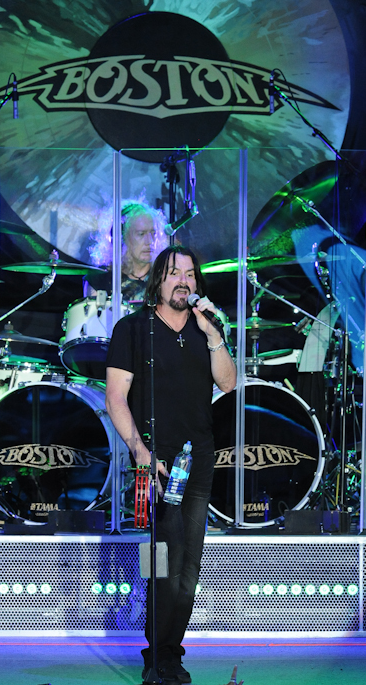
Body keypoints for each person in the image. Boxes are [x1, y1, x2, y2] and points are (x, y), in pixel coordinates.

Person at [105, 245, 236, 684]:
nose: (184, 280)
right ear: (157, 280)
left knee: (189, 568)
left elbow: (229, 381)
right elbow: (116, 397)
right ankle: (155, 657)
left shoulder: (204, 331)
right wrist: (140, 451)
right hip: (158, 464)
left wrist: (213, 330)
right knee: (165, 561)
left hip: (198, 461)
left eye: (190, 274)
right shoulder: (134, 329)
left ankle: (170, 653)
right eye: (174, 273)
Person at [85, 201, 166, 304]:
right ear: (121, 238)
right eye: (141, 234)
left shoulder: (164, 277)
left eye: (153, 233)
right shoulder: (99, 280)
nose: (150, 241)